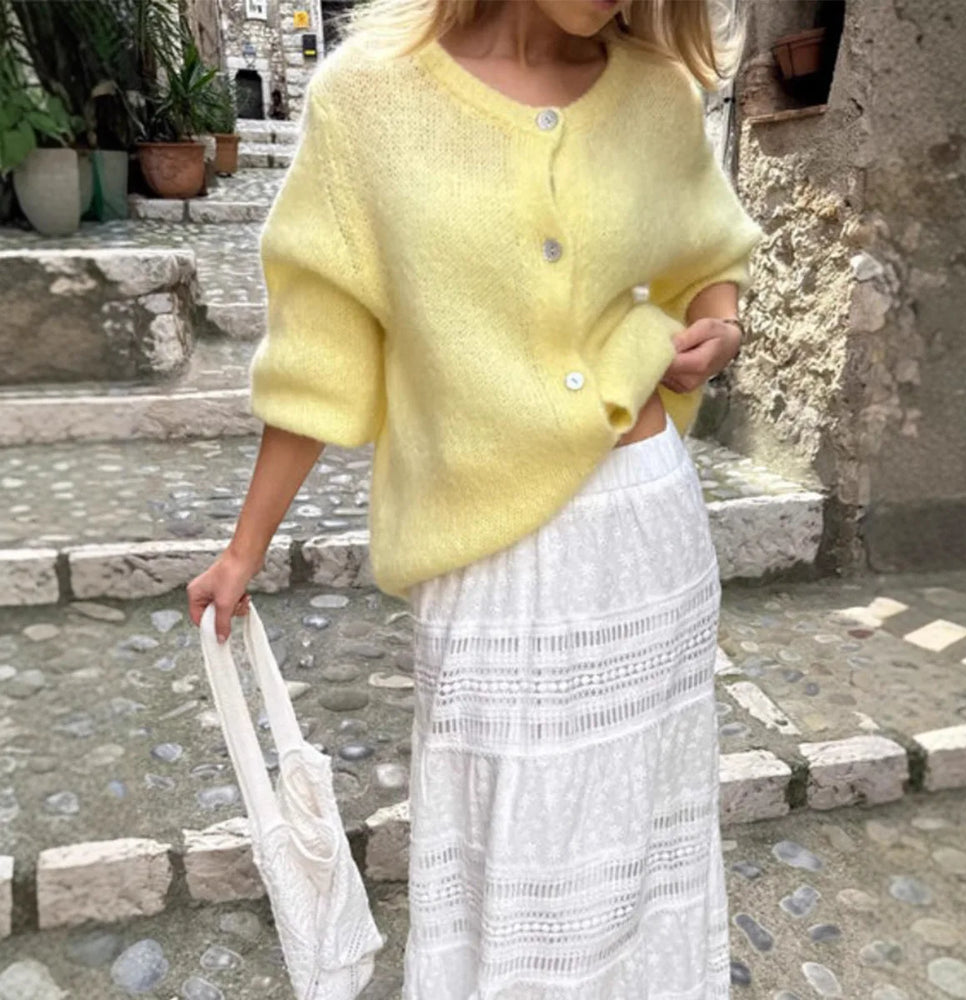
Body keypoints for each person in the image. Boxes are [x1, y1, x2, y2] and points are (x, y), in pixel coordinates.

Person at [188, 0, 764, 996]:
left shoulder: (657, 94)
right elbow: (321, 356)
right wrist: (244, 549)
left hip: (645, 528)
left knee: (639, 836)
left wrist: (721, 329)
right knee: (509, 847)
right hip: (487, 562)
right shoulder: (368, 101)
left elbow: (707, 258)